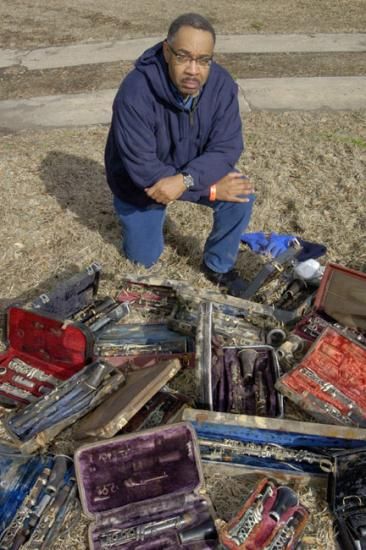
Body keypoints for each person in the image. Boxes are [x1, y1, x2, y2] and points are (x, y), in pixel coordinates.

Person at [105, 12, 255, 298]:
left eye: (203, 60)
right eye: (184, 57)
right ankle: (136, 225)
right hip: (140, 186)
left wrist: (187, 179)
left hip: (187, 169)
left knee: (241, 194)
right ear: (166, 51)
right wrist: (209, 189)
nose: (193, 70)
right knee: (143, 260)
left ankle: (218, 266)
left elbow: (227, 147)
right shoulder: (134, 92)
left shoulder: (222, 84)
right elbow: (144, 171)